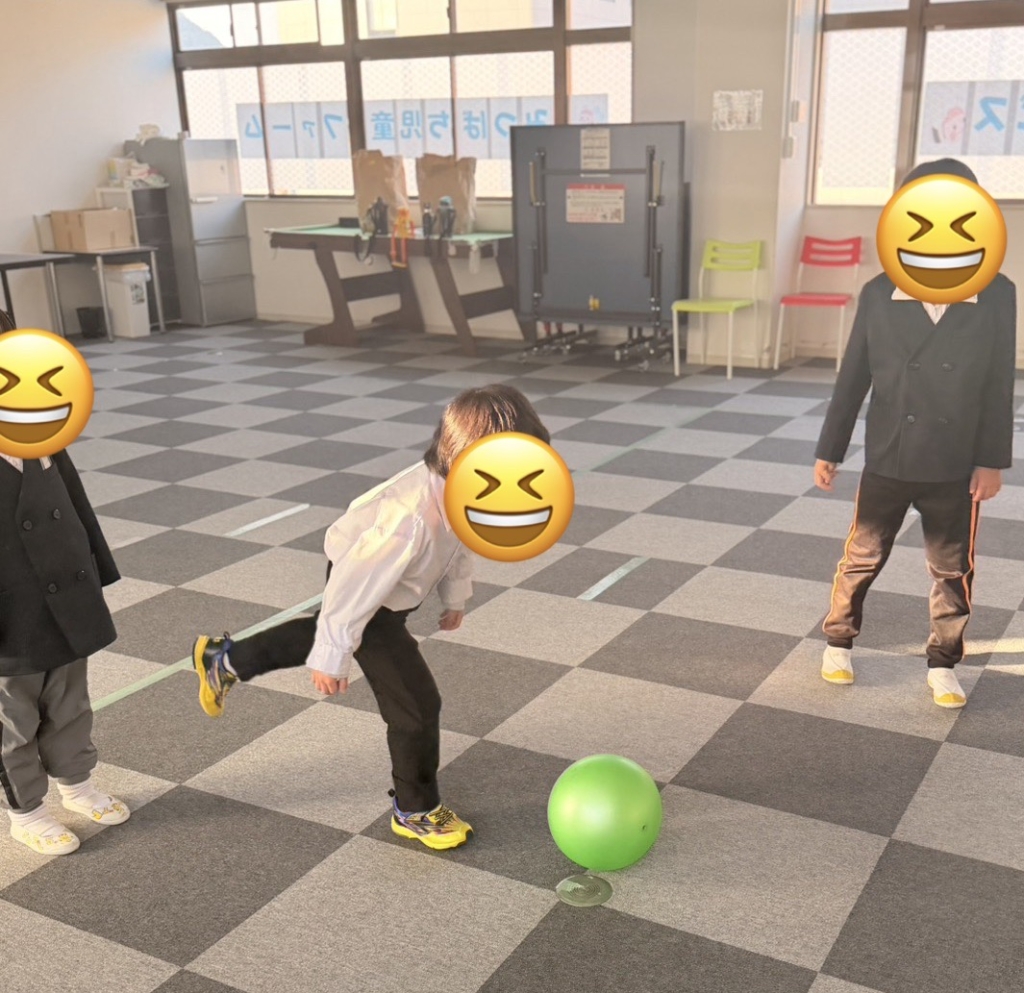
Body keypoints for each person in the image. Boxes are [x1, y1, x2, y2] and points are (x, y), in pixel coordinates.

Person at [191, 384, 551, 850]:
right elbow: (353, 588)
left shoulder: (466, 497)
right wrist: (333, 656)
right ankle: (415, 809)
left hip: (389, 592)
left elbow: (461, 544)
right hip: (366, 588)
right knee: (416, 705)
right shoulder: (408, 520)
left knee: (323, 631)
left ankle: (224, 660)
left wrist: (455, 597)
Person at [814, 158, 1016, 709]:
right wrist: (831, 448)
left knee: (952, 567)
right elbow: (854, 374)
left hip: (956, 459)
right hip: (889, 453)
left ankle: (944, 661)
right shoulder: (879, 291)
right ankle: (838, 641)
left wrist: (992, 460)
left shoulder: (997, 292)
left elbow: (999, 382)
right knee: (863, 554)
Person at [0, 450, 129, 855]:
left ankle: (77, 785)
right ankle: (26, 812)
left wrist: (97, 571)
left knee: (70, 700)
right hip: (8, 610)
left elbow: (75, 502)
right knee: (13, 718)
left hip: (65, 596)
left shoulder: (43, 439)